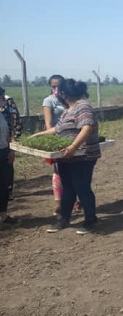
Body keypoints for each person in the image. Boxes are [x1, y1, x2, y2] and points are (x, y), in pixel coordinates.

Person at [31, 79, 101, 235]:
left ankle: (91, 219)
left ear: (63, 94)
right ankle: (64, 219)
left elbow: (87, 127)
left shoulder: (83, 106)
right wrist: (38, 135)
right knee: (68, 188)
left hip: (82, 156)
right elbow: (57, 129)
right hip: (66, 156)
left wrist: (73, 146)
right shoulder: (68, 110)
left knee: (82, 188)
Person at [42, 75, 76, 215]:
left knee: (74, 170)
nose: (56, 89)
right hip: (58, 140)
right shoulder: (49, 101)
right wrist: (54, 142)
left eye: (58, 86)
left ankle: (74, 201)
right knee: (58, 172)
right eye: (53, 86)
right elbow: (49, 123)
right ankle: (59, 203)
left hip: (72, 140)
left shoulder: (68, 99)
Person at [0, 86, 22, 201]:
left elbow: (14, 121)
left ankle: (8, 191)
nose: (4, 100)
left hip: (5, 145)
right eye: (2, 98)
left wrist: (12, 146)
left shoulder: (7, 104)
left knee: (7, 168)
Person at [0, 106, 17, 226]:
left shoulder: (2, 114)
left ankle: (3, 215)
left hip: (4, 152)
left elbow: (7, 134)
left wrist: (11, 150)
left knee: (4, 186)